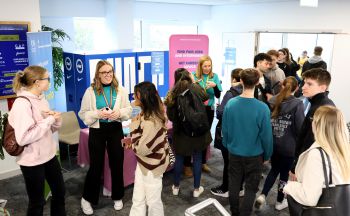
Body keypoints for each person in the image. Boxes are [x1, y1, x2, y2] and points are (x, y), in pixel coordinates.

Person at [9, 65, 66, 216]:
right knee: (37, 202)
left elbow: (47, 130)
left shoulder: (42, 99)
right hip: (32, 161)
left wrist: (55, 120)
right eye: (47, 78)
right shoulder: (21, 104)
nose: (49, 81)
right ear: (37, 82)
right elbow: (23, 138)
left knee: (60, 192)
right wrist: (47, 121)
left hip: (49, 156)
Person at [78, 60, 132, 215]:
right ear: (98, 75)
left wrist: (119, 113)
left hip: (115, 129)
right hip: (97, 130)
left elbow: (128, 109)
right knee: (96, 166)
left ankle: (118, 196)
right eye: (104, 72)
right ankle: (87, 199)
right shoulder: (90, 91)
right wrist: (98, 113)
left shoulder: (120, 89)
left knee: (117, 163)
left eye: (110, 71)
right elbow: (83, 113)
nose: (108, 75)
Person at [222, 68, 273, 216]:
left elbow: (225, 130)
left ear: (241, 81)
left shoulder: (231, 104)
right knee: (251, 187)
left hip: (234, 152)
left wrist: (228, 145)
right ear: (257, 82)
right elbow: (266, 136)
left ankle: (234, 212)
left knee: (234, 184)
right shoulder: (262, 108)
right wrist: (267, 154)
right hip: (255, 155)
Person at [284, 106, 350, 207]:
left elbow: (309, 198)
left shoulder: (317, 154)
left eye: (313, 120)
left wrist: (289, 186)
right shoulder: (344, 149)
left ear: (318, 125)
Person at [255, 77, 304, 211]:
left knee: (273, 170)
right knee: (284, 176)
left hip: (273, 144)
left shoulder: (273, 100)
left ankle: (263, 195)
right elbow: (300, 128)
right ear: (297, 88)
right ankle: (279, 201)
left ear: (282, 86)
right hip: (289, 146)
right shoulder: (298, 104)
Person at [164, 68, 212, 198]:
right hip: (197, 131)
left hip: (180, 132)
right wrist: (195, 82)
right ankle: (196, 189)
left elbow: (171, 116)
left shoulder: (172, 93)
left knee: (179, 159)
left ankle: (175, 187)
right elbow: (206, 97)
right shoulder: (195, 87)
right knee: (197, 159)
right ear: (187, 76)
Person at [128, 81, 170, 216]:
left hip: (152, 166)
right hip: (144, 164)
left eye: (136, 95)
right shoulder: (150, 112)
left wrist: (133, 126)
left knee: (153, 202)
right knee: (138, 198)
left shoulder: (151, 121)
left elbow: (141, 149)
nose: (134, 98)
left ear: (143, 97)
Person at [290, 68, 335, 177]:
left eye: (309, 84)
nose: (303, 87)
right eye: (304, 82)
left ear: (323, 88)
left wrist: (296, 166)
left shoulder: (322, 108)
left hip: (309, 165)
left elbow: (310, 141)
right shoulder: (318, 104)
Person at [184, 55, 222, 174]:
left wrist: (215, 87)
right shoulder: (194, 76)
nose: (207, 68)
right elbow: (187, 94)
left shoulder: (214, 76)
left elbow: (217, 95)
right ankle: (187, 164)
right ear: (200, 66)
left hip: (208, 110)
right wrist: (194, 84)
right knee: (191, 136)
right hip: (195, 110)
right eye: (205, 66)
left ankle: (203, 163)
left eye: (209, 66)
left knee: (205, 136)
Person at [211, 68, 244, 198]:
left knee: (229, 163)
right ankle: (240, 188)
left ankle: (226, 189)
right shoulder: (250, 92)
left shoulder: (231, 94)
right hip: (242, 134)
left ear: (234, 79)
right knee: (240, 163)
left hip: (229, 133)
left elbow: (221, 113)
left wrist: (219, 108)